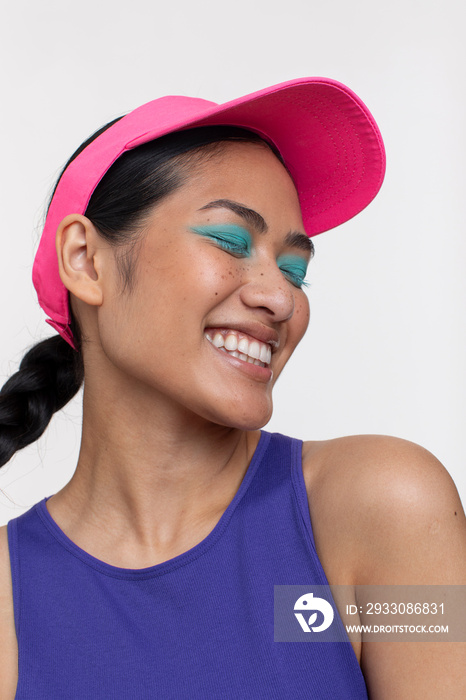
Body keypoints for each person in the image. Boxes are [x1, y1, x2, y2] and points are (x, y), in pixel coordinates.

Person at [0, 78, 464, 699]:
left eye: (295, 269)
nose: (280, 296)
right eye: (229, 241)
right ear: (85, 259)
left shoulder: (384, 507)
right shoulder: (9, 593)